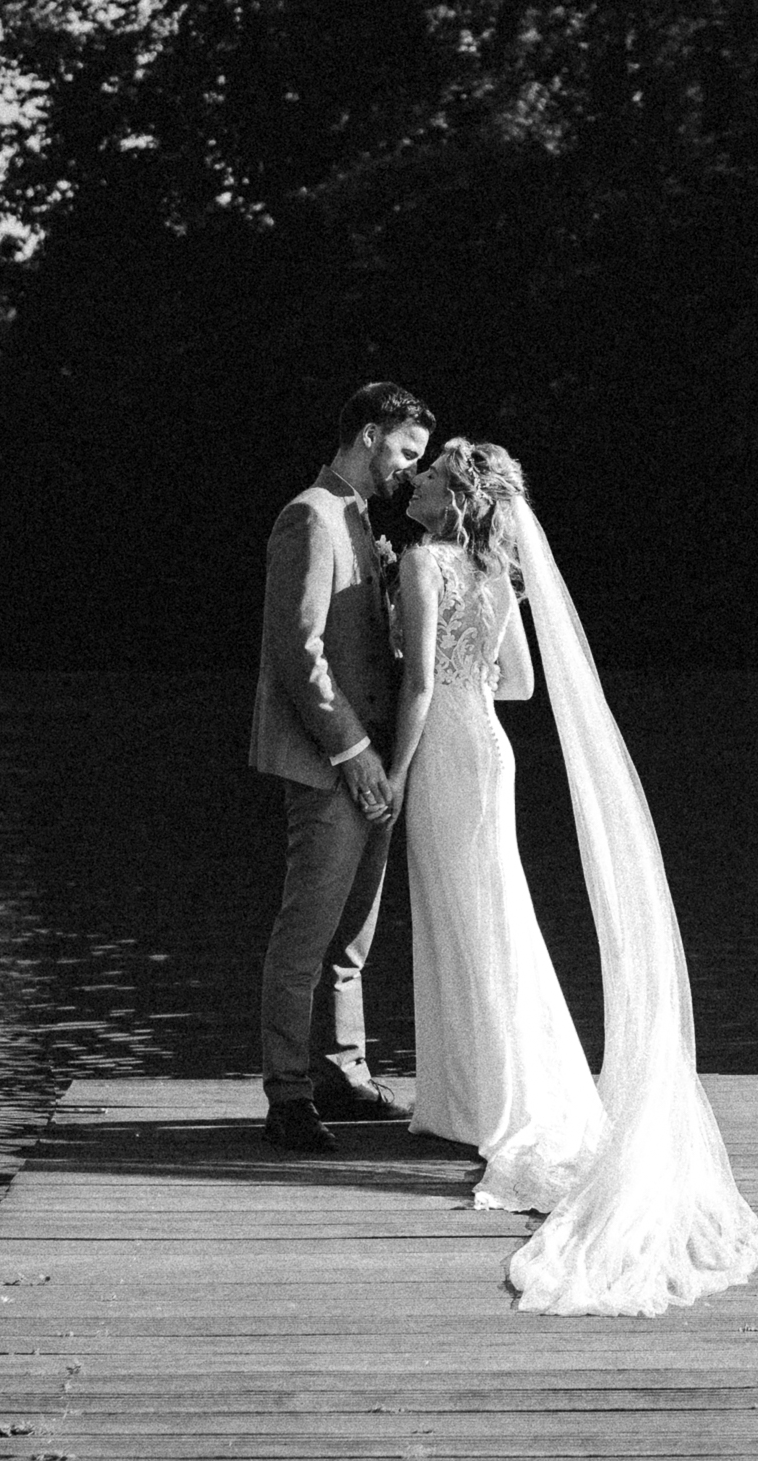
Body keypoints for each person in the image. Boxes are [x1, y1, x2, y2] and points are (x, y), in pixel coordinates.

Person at [389, 439, 758, 1314]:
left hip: (446, 755)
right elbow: (519, 683)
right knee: (497, 920)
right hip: (491, 747)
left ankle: (479, 1101)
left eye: (429, 473)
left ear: (452, 494)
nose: (413, 481)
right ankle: (494, 1096)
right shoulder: (492, 575)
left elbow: (415, 684)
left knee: (464, 922)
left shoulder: (422, 561)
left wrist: (394, 772)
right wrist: (469, 674)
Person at [252, 381, 433, 1152]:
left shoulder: (363, 523)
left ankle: (343, 1074)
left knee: (354, 938)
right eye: (403, 452)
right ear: (367, 434)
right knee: (308, 932)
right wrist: (355, 753)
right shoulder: (310, 516)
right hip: (329, 765)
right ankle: (288, 1096)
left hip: (377, 764)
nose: (406, 470)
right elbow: (299, 653)